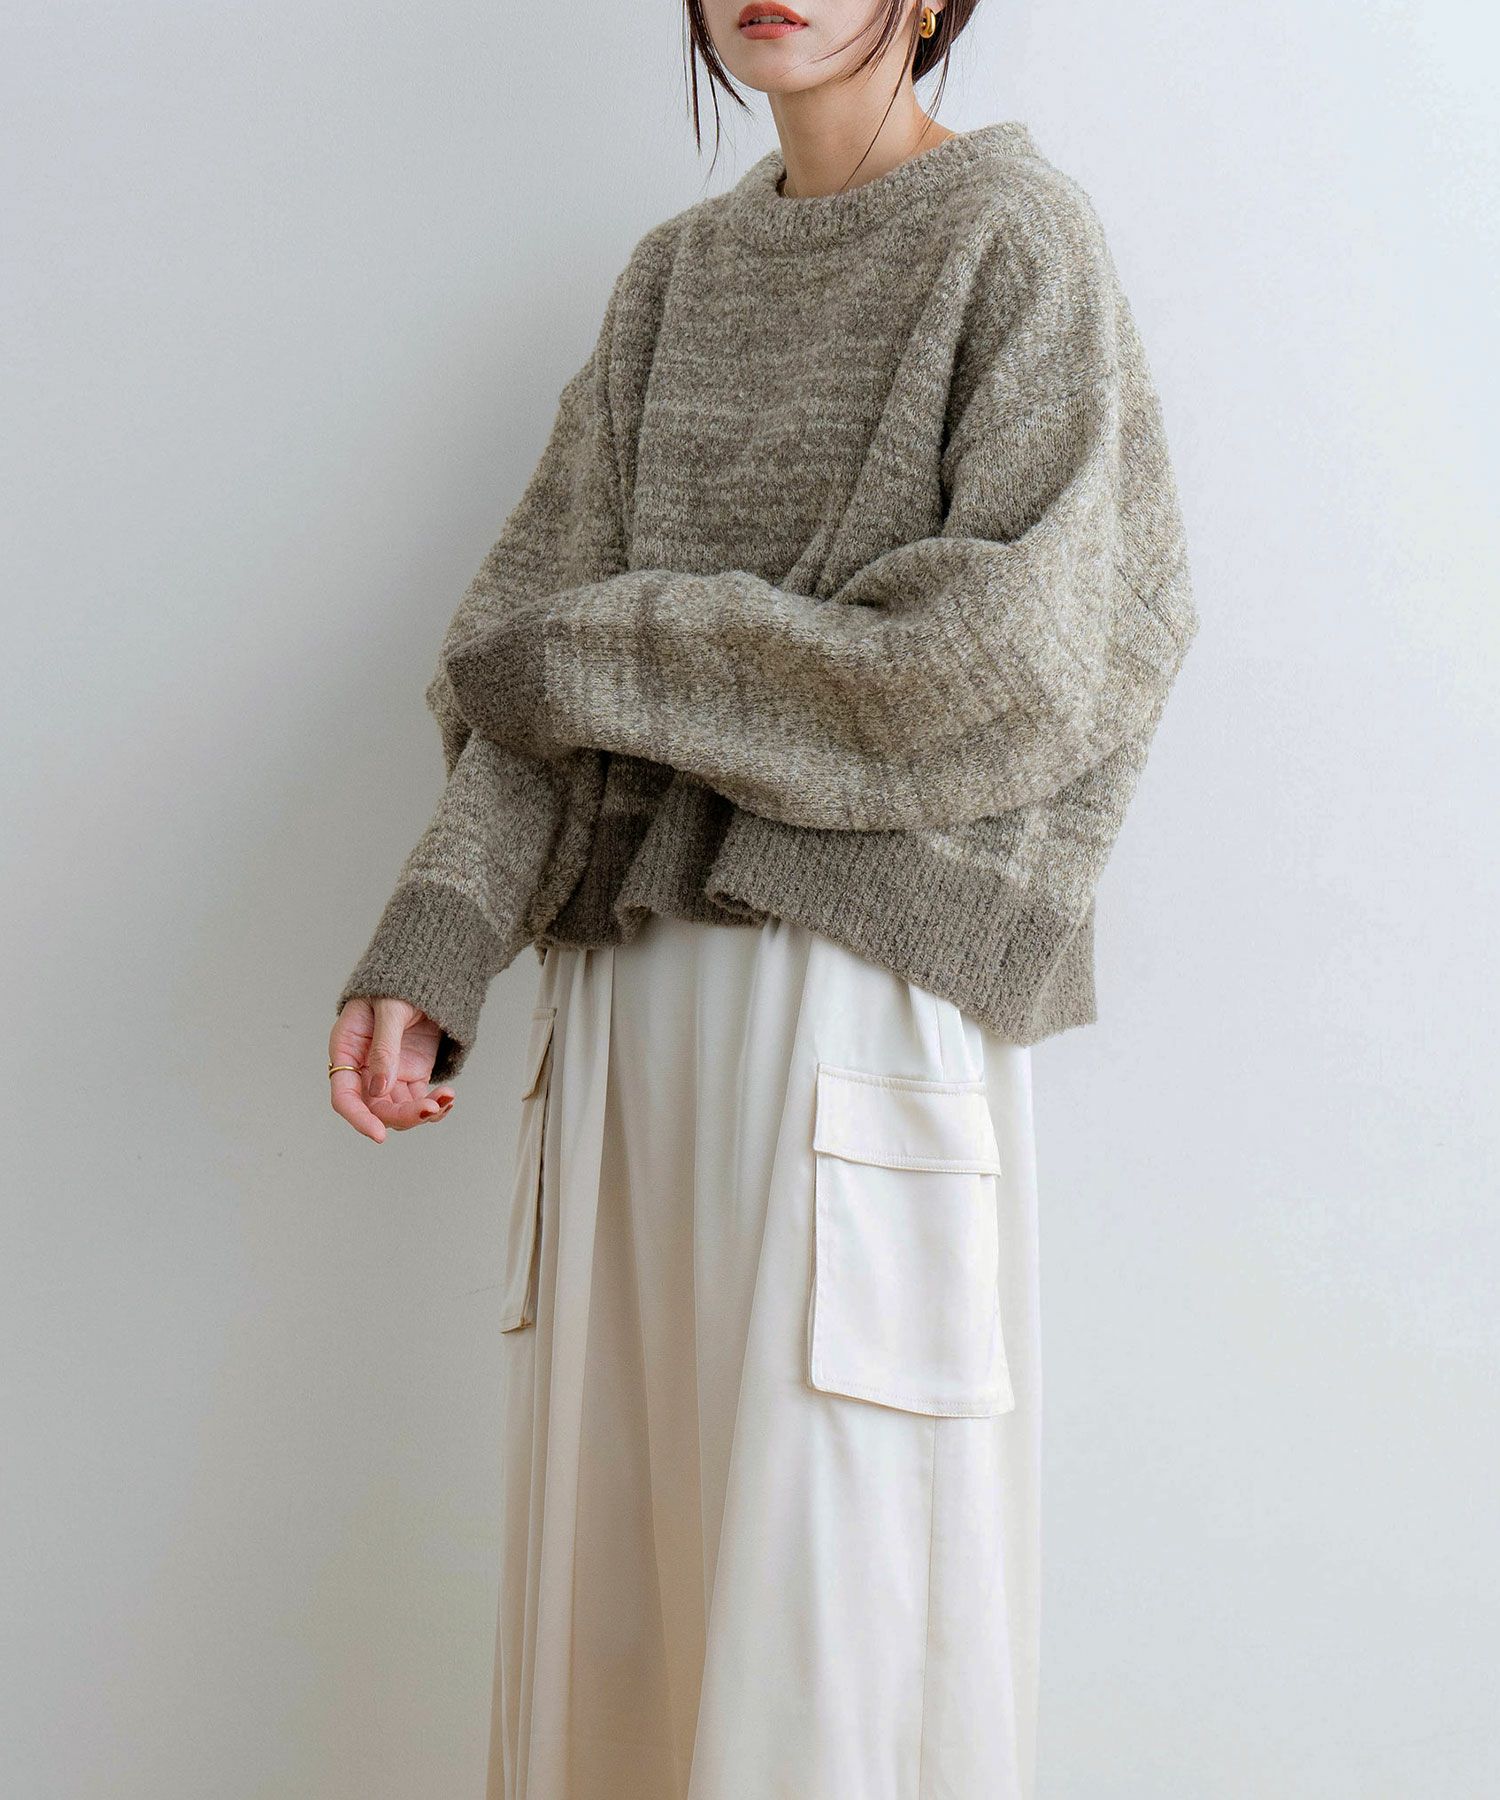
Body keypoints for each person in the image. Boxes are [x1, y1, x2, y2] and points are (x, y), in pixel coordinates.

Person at [328, 3, 1198, 1794]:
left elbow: (1013, 664)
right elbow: (523, 672)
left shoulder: (1011, 239)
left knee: (834, 1647)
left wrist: (634, 648)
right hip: (628, 1019)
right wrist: (440, 938)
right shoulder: (673, 280)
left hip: (853, 1009)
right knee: (618, 1636)